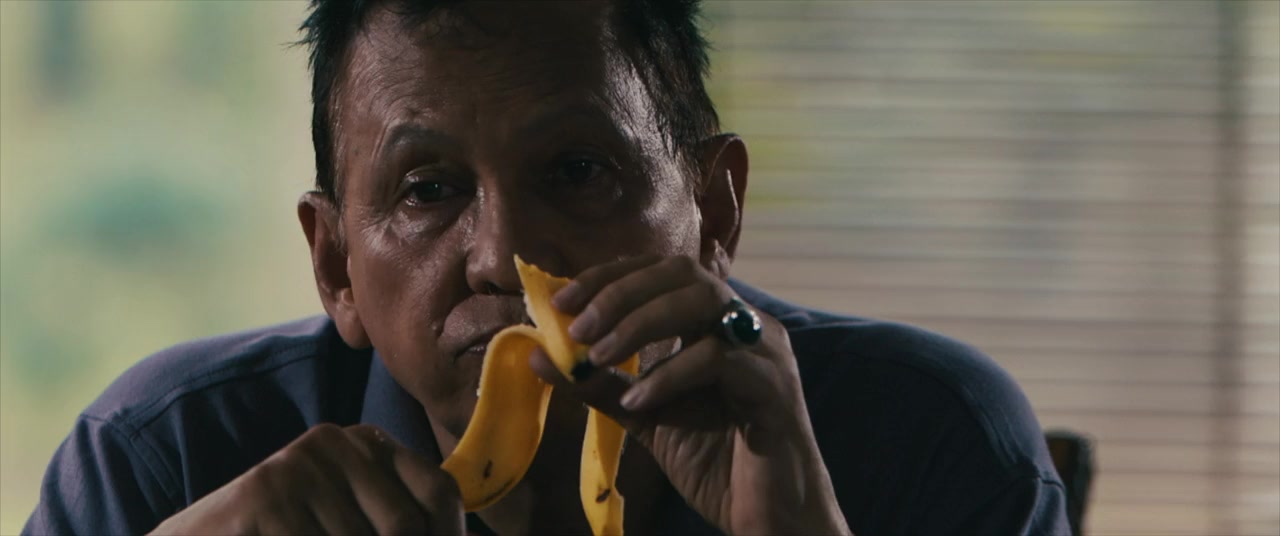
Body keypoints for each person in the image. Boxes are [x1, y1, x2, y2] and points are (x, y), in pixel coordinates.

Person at [24, 1, 1070, 534]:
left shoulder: (926, 441)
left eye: (577, 170)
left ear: (713, 209)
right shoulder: (168, 460)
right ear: (335, 264)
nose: (502, 257)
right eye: (427, 189)